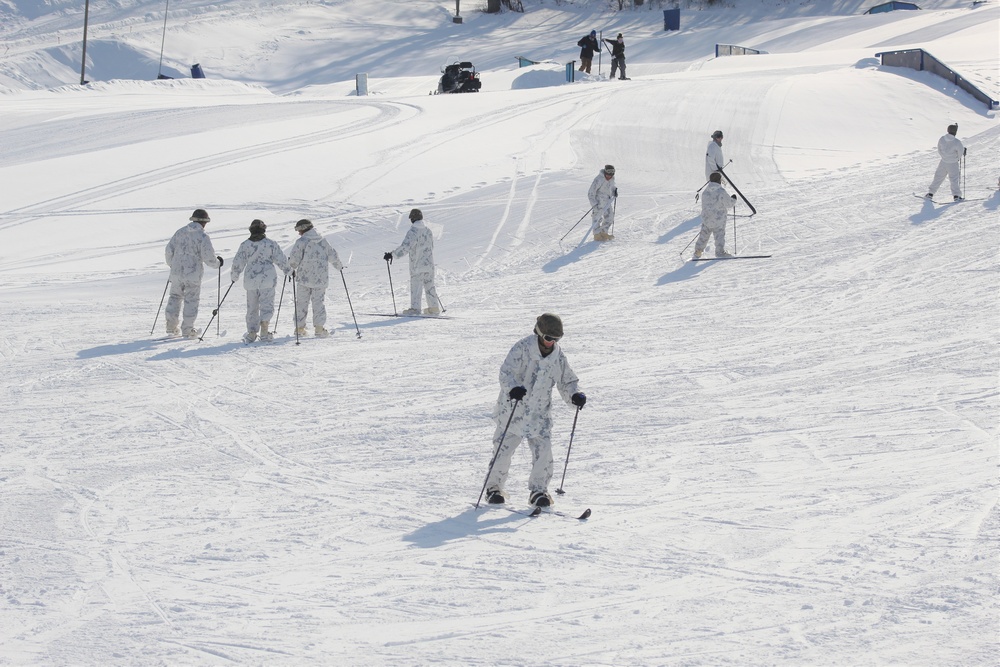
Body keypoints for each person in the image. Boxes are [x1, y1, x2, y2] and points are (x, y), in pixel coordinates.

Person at [483, 314, 586, 508]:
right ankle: (493, 488)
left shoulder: (558, 357)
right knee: (502, 452)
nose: (552, 343)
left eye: (556, 339)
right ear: (539, 333)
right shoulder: (522, 349)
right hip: (513, 413)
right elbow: (506, 373)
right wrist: (513, 388)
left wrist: (574, 395)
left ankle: (539, 491)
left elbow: (567, 381)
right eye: (548, 338)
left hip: (539, 415)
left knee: (544, 454)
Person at [164, 208, 223, 338]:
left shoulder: (179, 232)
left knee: (174, 297)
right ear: (204, 222)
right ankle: (187, 330)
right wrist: (217, 264)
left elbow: (169, 250)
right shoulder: (202, 236)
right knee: (191, 300)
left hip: (176, 272)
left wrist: (172, 265)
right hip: (193, 274)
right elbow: (208, 257)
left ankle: (171, 327)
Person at [230, 219, 290, 344]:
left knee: (252, 306)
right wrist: (288, 271)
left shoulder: (245, 245)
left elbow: (238, 262)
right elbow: (281, 259)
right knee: (267, 304)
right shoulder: (270, 244)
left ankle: (251, 333)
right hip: (267, 278)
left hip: (251, 279)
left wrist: (234, 276)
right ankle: (264, 329)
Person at [288, 218, 343, 338]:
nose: (298, 232)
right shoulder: (323, 241)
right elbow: (332, 256)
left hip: (304, 279)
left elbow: (294, 260)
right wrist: (339, 266)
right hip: (320, 279)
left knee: (301, 303)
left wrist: (290, 266)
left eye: (299, 230)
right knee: (318, 303)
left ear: (303, 229)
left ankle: (299, 328)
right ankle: (319, 328)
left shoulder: (301, 242)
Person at [384, 208, 442, 316]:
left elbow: (405, 248)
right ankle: (433, 308)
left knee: (416, 287)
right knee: (430, 285)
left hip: (417, 265)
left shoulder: (413, 232)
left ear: (413, 219)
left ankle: (415, 309)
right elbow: (431, 246)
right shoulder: (428, 231)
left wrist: (392, 254)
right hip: (429, 264)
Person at [693, 172, 738, 259]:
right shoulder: (721, 191)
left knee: (704, 236)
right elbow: (729, 204)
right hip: (718, 220)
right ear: (719, 180)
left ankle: (698, 252)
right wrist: (733, 199)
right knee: (719, 236)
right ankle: (720, 252)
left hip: (707, 219)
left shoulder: (705, 192)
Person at [926, 123, 966, 201]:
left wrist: (944, 156)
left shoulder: (942, 139)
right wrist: (956, 158)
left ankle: (930, 193)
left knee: (938, 177)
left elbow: (939, 150)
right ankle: (956, 196)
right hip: (953, 163)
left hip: (943, 162)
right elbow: (960, 152)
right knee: (954, 179)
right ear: (955, 132)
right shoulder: (957, 142)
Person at [588, 164, 617, 241]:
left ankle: (604, 233)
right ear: (605, 172)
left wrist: (614, 191)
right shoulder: (599, 179)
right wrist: (594, 205)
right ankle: (597, 235)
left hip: (607, 201)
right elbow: (591, 193)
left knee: (610, 217)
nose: (609, 176)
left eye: (611, 175)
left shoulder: (611, 179)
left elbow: (611, 186)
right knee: (597, 218)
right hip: (598, 202)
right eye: (607, 174)